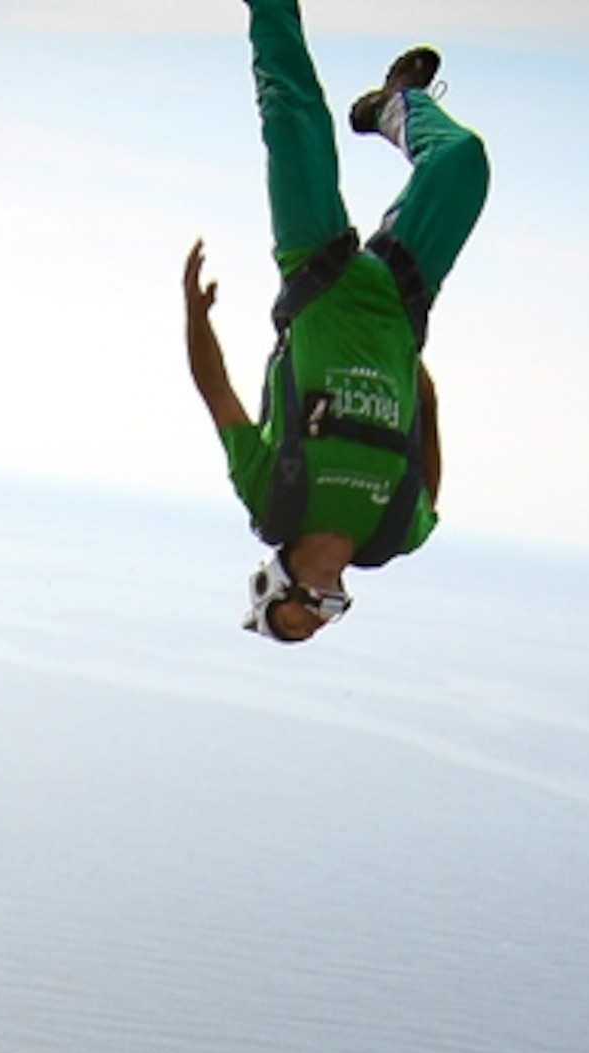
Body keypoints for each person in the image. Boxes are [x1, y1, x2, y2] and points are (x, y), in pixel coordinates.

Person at [184, 1, 490, 642]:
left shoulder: (272, 499)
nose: (326, 608)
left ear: (278, 582)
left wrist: (195, 313)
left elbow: (218, 395)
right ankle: (395, 105)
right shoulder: (393, 534)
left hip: (316, 271)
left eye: (305, 613)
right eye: (326, 618)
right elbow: (427, 484)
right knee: (462, 162)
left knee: (293, 113)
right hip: (402, 296)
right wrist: (424, 394)